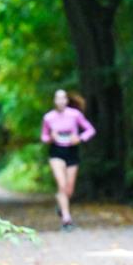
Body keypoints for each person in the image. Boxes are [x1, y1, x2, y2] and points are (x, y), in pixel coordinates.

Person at [41, 89, 96, 231]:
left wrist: (80, 138)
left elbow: (90, 130)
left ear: (66, 100)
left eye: (63, 98)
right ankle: (66, 219)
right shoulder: (48, 117)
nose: (60, 101)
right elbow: (44, 137)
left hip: (72, 152)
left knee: (69, 189)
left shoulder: (75, 115)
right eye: (57, 98)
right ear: (54, 101)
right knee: (62, 184)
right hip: (56, 152)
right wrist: (51, 138)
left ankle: (61, 205)